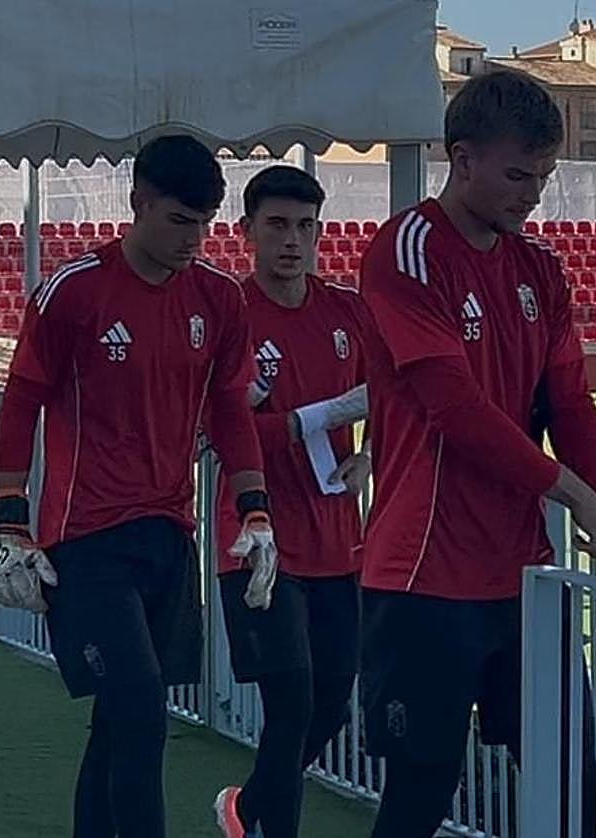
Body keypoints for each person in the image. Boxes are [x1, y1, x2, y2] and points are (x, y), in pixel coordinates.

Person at [356, 69, 596, 837]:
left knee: (576, 781)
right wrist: (576, 495)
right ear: (462, 157)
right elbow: (455, 411)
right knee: (421, 790)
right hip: (424, 575)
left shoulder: (540, 268)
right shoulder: (406, 249)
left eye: (543, 176)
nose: (532, 193)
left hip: (524, 580)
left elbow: (571, 401)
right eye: (517, 174)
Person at [0, 135, 277, 838]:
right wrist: (9, 523)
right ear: (138, 203)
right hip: (85, 544)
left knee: (119, 721)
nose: (193, 238)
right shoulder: (75, 291)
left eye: (205, 222)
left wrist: (256, 510)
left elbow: (231, 408)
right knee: (142, 706)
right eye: (179, 219)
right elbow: (21, 401)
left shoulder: (218, 301)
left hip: (169, 538)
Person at [210, 165, 372, 838]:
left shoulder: (346, 312)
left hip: (339, 540)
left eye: (305, 227)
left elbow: (396, 398)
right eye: (276, 225)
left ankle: (244, 809)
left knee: (332, 704)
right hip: (258, 540)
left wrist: (373, 454)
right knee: (293, 701)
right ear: (246, 232)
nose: (292, 241)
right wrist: (316, 416)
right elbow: (224, 427)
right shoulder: (230, 316)